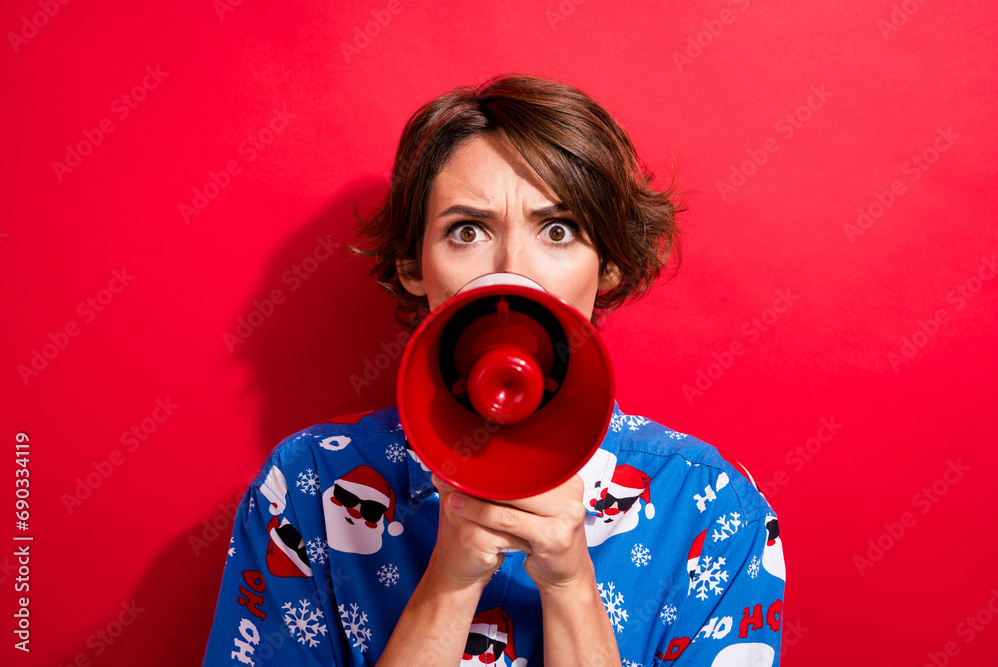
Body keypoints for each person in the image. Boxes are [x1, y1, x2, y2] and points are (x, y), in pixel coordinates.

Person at [203, 74, 785, 666]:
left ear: (607, 265)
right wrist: (448, 585)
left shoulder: (709, 508)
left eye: (558, 231)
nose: (510, 273)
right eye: (467, 231)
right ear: (411, 265)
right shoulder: (309, 487)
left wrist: (569, 587)